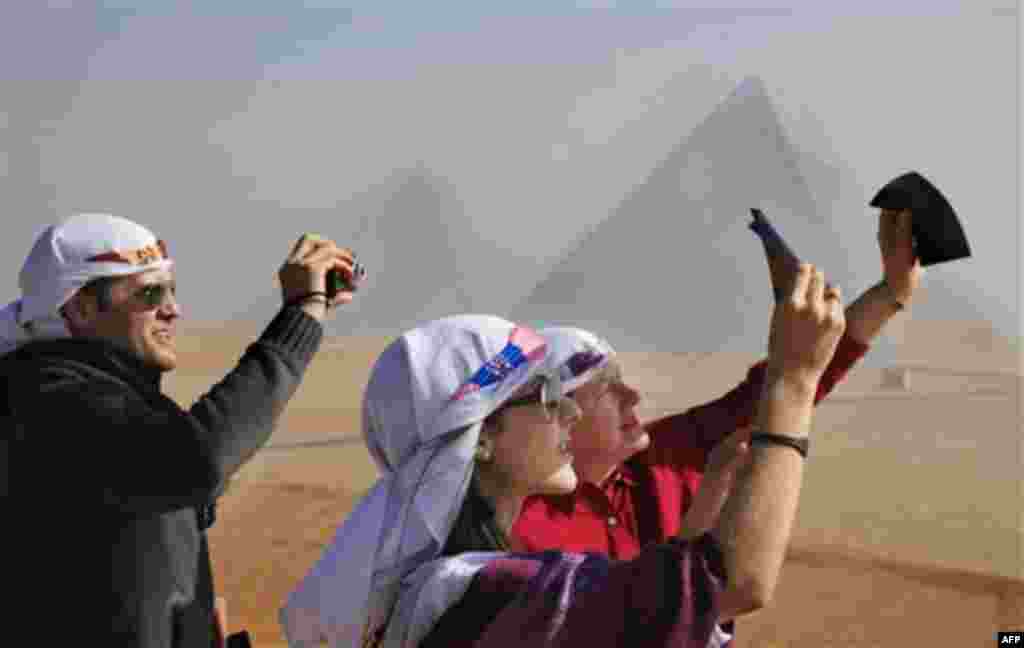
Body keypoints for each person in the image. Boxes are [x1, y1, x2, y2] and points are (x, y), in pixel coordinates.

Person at [281, 262, 844, 648]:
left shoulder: (462, 587)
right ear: (481, 437)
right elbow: (725, 586)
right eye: (548, 399)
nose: (570, 415)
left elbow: (667, 615)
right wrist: (793, 383)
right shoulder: (474, 590)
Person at [1, 213, 360, 647]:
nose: (173, 309)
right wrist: (299, 321)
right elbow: (198, 458)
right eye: (150, 293)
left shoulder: (105, 395)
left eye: (172, 290)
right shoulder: (48, 400)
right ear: (79, 307)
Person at [513, 208, 923, 565]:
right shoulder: (518, 535)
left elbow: (789, 379)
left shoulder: (664, 458)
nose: (632, 396)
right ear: (559, 415)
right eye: (606, 389)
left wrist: (891, 293)